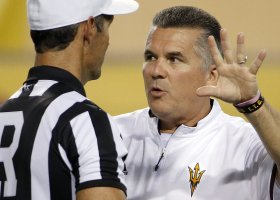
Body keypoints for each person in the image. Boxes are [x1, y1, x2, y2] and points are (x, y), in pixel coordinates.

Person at [114, 6, 280, 200]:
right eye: (150, 57)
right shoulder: (111, 132)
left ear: (211, 75)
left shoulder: (246, 144)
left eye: (174, 59)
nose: (156, 70)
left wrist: (253, 103)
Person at [0, 0, 138, 199]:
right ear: (89, 29)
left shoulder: (4, 112)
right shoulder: (83, 119)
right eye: (107, 27)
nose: (108, 40)